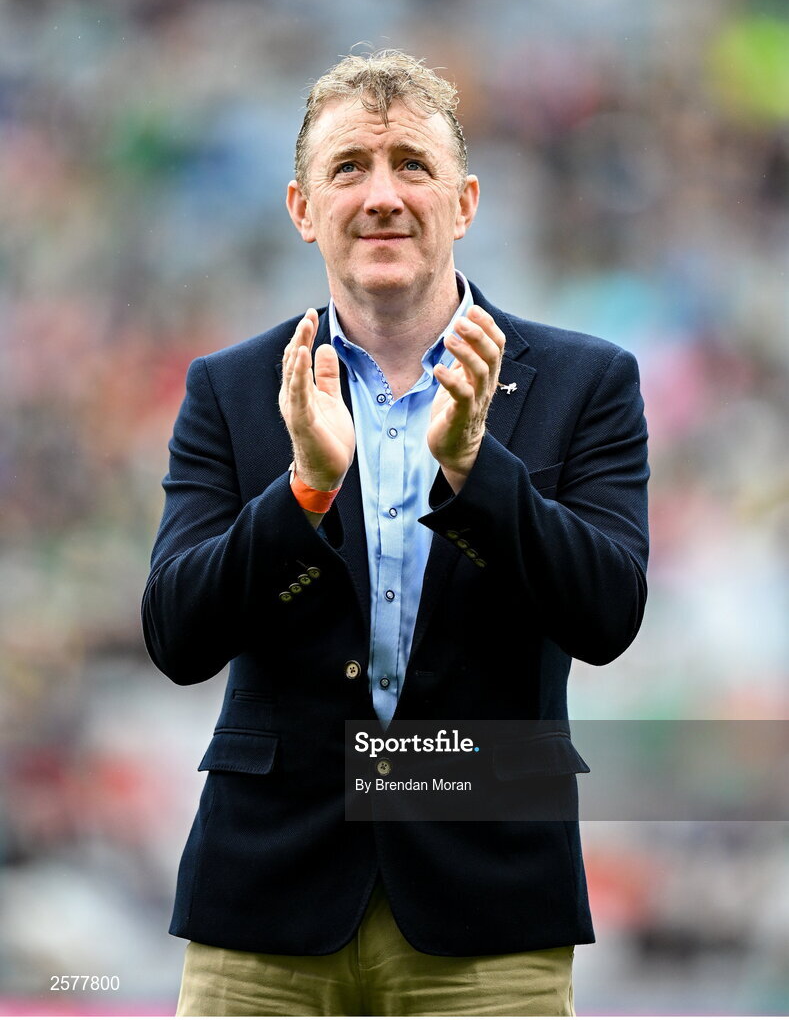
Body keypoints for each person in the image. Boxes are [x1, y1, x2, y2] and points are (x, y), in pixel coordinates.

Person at [142, 49, 649, 1017]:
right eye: (349, 168)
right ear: (301, 207)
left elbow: (608, 615)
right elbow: (177, 635)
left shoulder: (587, 381)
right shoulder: (232, 387)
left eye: (411, 164)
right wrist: (305, 490)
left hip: (492, 905)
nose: (382, 195)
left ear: (463, 202)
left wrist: (475, 470)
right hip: (263, 905)